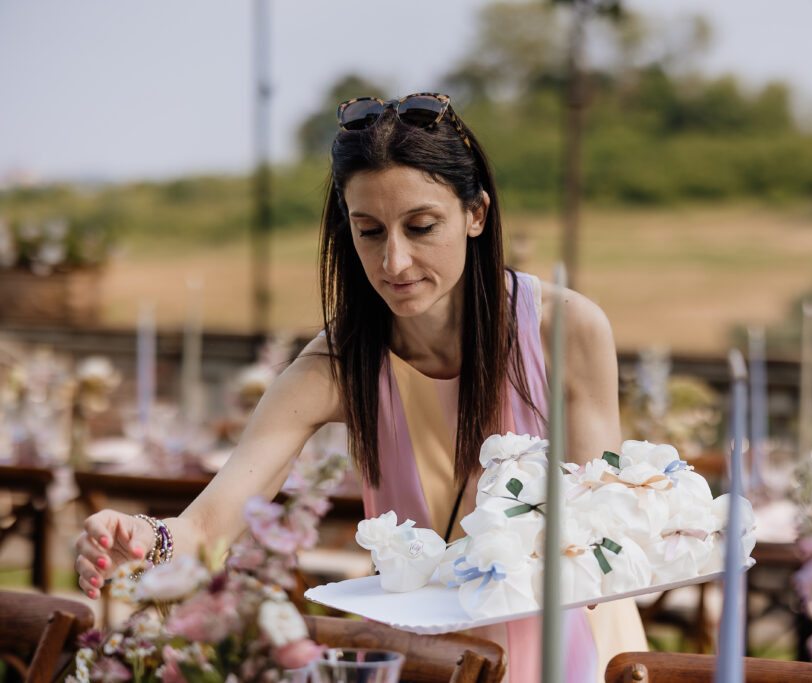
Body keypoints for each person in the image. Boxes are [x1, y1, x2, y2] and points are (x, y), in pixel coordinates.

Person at [74, 93, 646, 682]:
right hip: (431, 658)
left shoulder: (565, 329)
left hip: (578, 641)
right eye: (368, 231)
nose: (395, 261)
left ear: (476, 213)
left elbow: (604, 523)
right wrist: (145, 538)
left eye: (421, 227)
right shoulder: (335, 364)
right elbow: (207, 524)